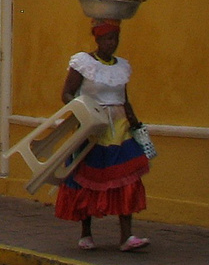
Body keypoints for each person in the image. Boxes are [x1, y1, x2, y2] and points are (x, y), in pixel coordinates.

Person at [56, 19, 150, 252]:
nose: (112, 44)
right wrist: (85, 111)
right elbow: (66, 94)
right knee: (87, 177)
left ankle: (126, 236)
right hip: (92, 128)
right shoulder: (83, 63)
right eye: (108, 39)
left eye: (115, 39)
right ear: (97, 40)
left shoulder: (122, 67)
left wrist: (136, 123)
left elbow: (123, 98)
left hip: (119, 128)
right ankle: (86, 233)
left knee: (126, 176)